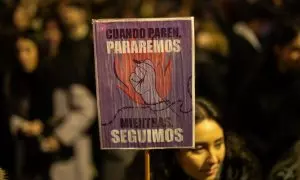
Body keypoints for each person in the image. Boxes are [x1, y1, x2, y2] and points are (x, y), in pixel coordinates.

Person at [136, 98, 262, 180]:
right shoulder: (152, 173)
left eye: (218, 144)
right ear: (173, 152)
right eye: (198, 149)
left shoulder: (241, 170)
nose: (213, 159)